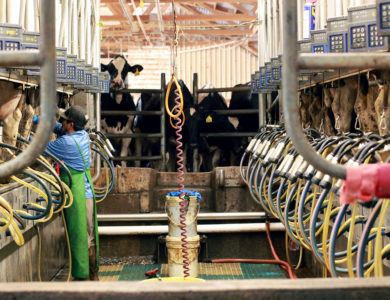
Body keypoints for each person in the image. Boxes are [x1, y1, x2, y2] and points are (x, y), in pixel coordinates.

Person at [43, 105, 99, 281]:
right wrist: (40, 120)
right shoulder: (82, 136)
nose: (61, 122)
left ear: (71, 124)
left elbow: (37, 146)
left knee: (79, 233)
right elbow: (60, 129)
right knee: (87, 232)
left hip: (76, 191)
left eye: (64, 120)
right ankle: (92, 274)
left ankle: (84, 276)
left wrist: (25, 134)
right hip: (87, 190)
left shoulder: (65, 143)